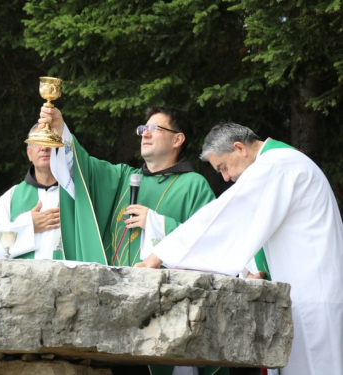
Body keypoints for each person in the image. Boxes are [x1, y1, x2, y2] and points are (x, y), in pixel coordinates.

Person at [136, 122, 343, 375]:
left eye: (223, 167)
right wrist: (253, 270)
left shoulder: (277, 164)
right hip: (309, 289)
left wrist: (159, 256)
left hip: (312, 298)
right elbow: (259, 228)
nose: (225, 177)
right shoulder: (283, 162)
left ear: (239, 148)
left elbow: (226, 217)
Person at [40, 107, 225, 375]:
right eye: (143, 129)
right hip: (115, 314)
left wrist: (156, 222)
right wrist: (60, 130)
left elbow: (211, 245)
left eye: (155, 129)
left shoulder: (194, 185)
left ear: (178, 139)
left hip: (165, 319)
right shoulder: (123, 178)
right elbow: (82, 169)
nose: (145, 134)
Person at [0, 124, 62, 260]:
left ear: (59, 150)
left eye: (49, 142)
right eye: (38, 142)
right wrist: (28, 226)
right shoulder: (12, 196)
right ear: (29, 153)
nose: (44, 148)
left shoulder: (74, 195)